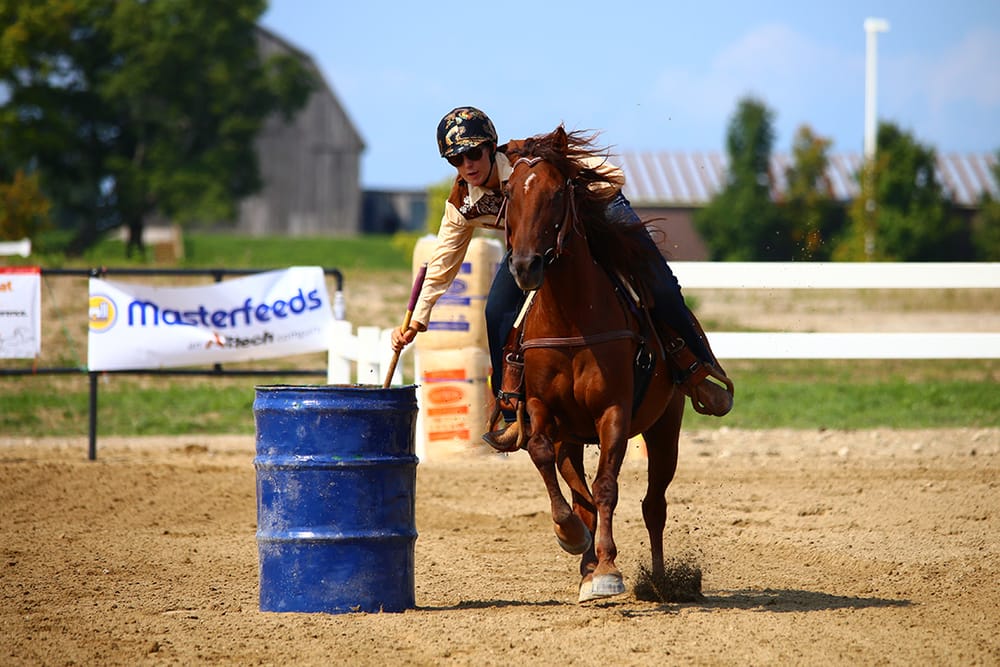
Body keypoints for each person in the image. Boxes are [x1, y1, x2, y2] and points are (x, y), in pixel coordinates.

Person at [391, 106, 733, 451]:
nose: (467, 165)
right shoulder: (463, 200)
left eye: (474, 153)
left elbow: (612, 176)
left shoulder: (530, 157)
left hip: (597, 213)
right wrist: (417, 319)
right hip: (536, 242)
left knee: (658, 283)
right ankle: (510, 413)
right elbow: (443, 260)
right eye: (456, 160)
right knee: (496, 312)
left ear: (492, 146)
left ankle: (698, 369)